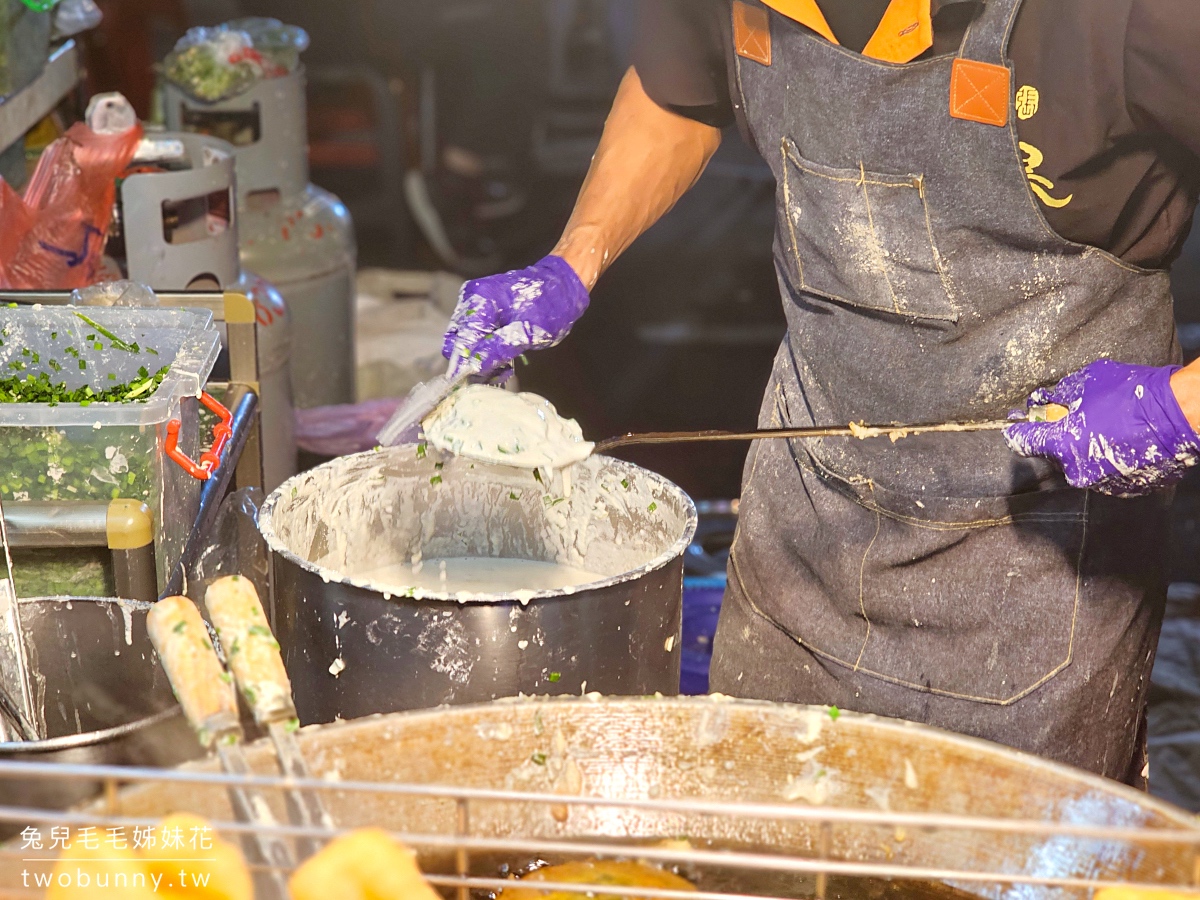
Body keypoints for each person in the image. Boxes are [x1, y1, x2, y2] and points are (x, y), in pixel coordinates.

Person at [440, 0, 1200, 787]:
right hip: (800, 534)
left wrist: (1178, 407)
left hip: (1040, 571)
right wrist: (576, 257)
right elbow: (680, 88)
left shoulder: (1133, 17)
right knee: (761, 847)